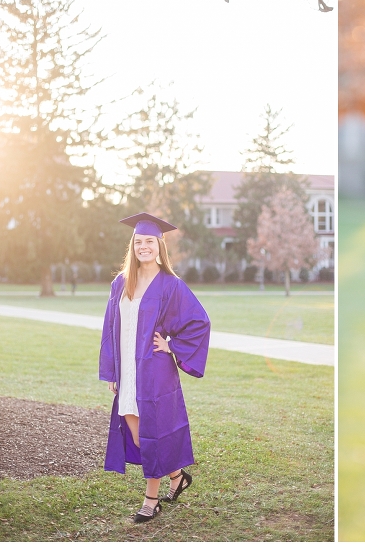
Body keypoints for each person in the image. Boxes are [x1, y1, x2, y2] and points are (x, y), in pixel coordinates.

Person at [99, 212, 211, 523]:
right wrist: (112, 371)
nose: (143, 247)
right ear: (132, 245)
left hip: (155, 371)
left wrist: (171, 345)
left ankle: (151, 500)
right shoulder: (121, 282)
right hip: (128, 370)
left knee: (153, 432)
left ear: (160, 245)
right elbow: (110, 328)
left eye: (150, 241)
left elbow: (199, 322)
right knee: (139, 436)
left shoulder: (171, 284)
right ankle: (177, 477)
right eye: (138, 242)